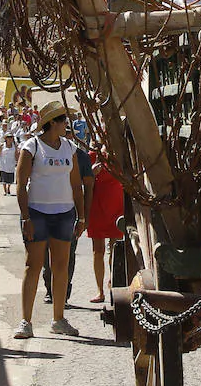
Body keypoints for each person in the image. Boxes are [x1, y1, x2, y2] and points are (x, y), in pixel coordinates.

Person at [14, 100, 87, 338]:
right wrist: (25, 217)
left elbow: (76, 185)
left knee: (60, 267)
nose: (68, 124)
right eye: (64, 120)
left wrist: (82, 215)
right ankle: (26, 321)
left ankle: (59, 319)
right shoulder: (31, 147)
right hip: (37, 213)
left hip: (64, 214)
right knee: (33, 266)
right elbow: (21, 185)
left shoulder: (69, 148)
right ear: (52, 123)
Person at [41, 118, 93, 306]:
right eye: (66, 131)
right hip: (46, 211)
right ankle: (49, 289)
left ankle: (64, 293)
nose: (67, 135)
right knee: (47, 255)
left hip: (69, 214)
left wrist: (84, 216)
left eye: (70, 133)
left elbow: (88, 187)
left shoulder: (81, 156)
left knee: (68, 256)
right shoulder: (44, 150)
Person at [86, 146, 125, 304]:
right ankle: (100, 291)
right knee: (98, 251)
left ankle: (113, 284)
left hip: (116, 205)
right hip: (97, 206)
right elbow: (84, 180)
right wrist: (91, 173)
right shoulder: (93, 155)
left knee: (115, 249)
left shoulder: (121, 153)